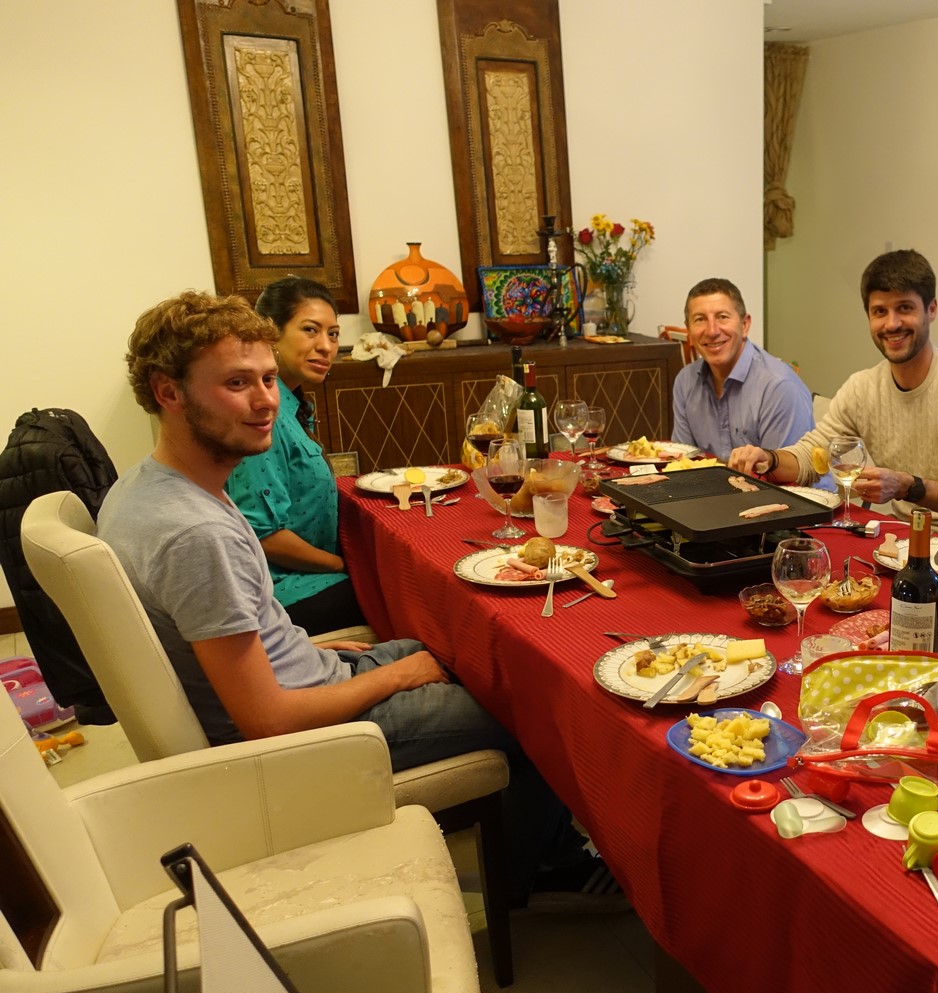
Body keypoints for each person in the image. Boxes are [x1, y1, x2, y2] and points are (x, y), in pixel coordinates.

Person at [100, 290, 598, 908]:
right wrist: (394, 678)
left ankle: (494, 823)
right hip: (304, 738)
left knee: (463, 647)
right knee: (535, 707)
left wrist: (313, 651)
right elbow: (267, 722)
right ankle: (541, 876)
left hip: (309, 679)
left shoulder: (145, 487)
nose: (265, 400)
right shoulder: (196, 534)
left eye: (266, 379)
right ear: (168, 392)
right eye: (236, 382)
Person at [727, 249, 938, 541]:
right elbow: (812, 455)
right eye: (880, 311)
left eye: (904, 308)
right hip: (907, 537)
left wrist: (907, 486)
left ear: (931, 310)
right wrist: (769, 459)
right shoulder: (862, 388)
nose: (891, 324)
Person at [224, 277, 365, 634]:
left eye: (333, 334)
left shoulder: (290, 403)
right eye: (310, 330)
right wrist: (338, 564)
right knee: (404, 591)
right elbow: (263, 534)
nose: (326, 346)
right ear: (271, 334)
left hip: (307, 575)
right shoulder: (262, 416)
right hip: (281, 591)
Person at [671, 277, 813, 460]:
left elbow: (785, 473)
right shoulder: (685, 382)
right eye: (700, 319)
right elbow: (682, 463)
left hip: (781, 480)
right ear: (689, 332)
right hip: (718, 480)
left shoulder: (779, 386)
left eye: (722, 317)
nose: (712, 331)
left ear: (745, 325)